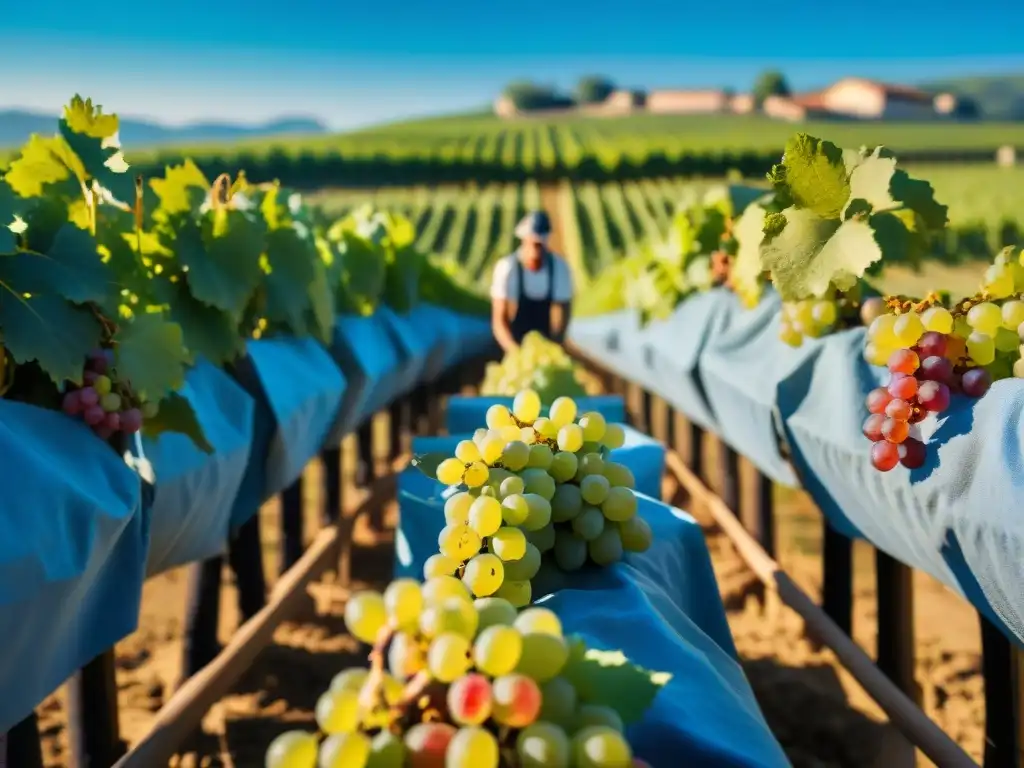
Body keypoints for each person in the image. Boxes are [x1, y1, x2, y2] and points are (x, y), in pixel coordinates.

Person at [490, 211, 574, 353]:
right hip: (513, 342)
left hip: (546, 340)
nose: (536, 252)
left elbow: (563, 312)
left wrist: (553, 347)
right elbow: (499, 319)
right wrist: (514, 351)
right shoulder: (507, 268)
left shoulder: (559, 268)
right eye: (532, 244)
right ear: (524, 241)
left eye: (540, 245)